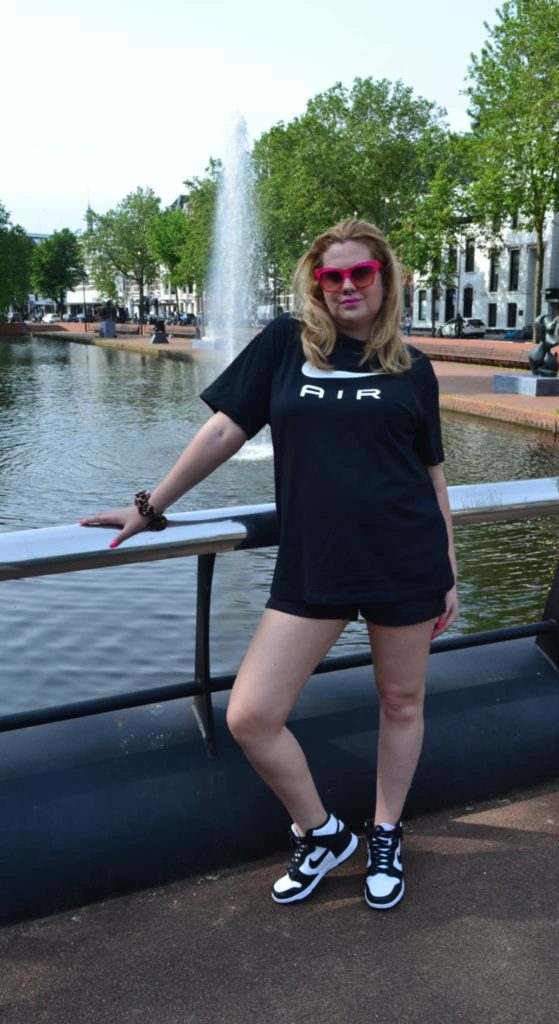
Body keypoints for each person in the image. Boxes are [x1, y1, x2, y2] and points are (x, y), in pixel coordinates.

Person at [79, 219, 459, 911]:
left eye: (360, 274)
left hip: (406, 559)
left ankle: (384, 834)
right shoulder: (286, 343)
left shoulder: (412, 367)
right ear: (316, 284)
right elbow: (226, 429)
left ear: (384, 280)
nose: (345, 287)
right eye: (331, 276)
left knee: (402, 702)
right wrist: (150, 506)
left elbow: (431, 475)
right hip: (314, 563)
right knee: (252, 714)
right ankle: (323, 833)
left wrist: (449, 569)